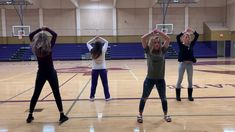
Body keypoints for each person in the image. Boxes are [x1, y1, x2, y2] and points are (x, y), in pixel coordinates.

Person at [26, 27, 68, 124]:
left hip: (41, 73)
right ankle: (61, 115)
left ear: (37, 40)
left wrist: (39, 29)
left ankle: (30, 115)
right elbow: (55, 35)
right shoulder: (49, 46)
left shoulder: (36, 48)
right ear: (46, 39)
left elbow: (30, 35)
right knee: (56, 93)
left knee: (36, 94)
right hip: (51, 72)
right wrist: (47, 29)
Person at [137, 29, 172, 123]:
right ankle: (140, 115)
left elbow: (168, 39)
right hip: (150, 79)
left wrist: (159, 32)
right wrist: (151, 33)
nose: (157, 44)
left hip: (161, 79)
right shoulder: (148, 50)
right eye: (155, 42)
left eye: (158, 42)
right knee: (144, 97)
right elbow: (142, 39)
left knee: (163, 98)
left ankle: (165, 114)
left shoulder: (163, 50)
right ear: (152, 43)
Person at [175, 27, 199, 101]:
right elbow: (177, 37)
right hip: (182, 64)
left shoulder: (191, 44)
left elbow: (197, 35)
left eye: (188, 36)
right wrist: (184, 31)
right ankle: (178, 96)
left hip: (190, 64)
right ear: (183, 38)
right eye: (186, 36)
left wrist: (191, 30)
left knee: (190, 80)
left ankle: (190, 96)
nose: (187, 37)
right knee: (180, 79)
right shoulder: (181, 45)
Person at [86, 36, 111, 101]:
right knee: (105, 84)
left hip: (94, 70)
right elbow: (106, 42)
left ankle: (91, 97)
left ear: (94, 45)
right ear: (100, 45)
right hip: (103, 69)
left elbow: (87, 43)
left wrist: (94, 38)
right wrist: (100, 38)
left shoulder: (92, 50)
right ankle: (107, 97)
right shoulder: (103, 50)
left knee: (93, 84)